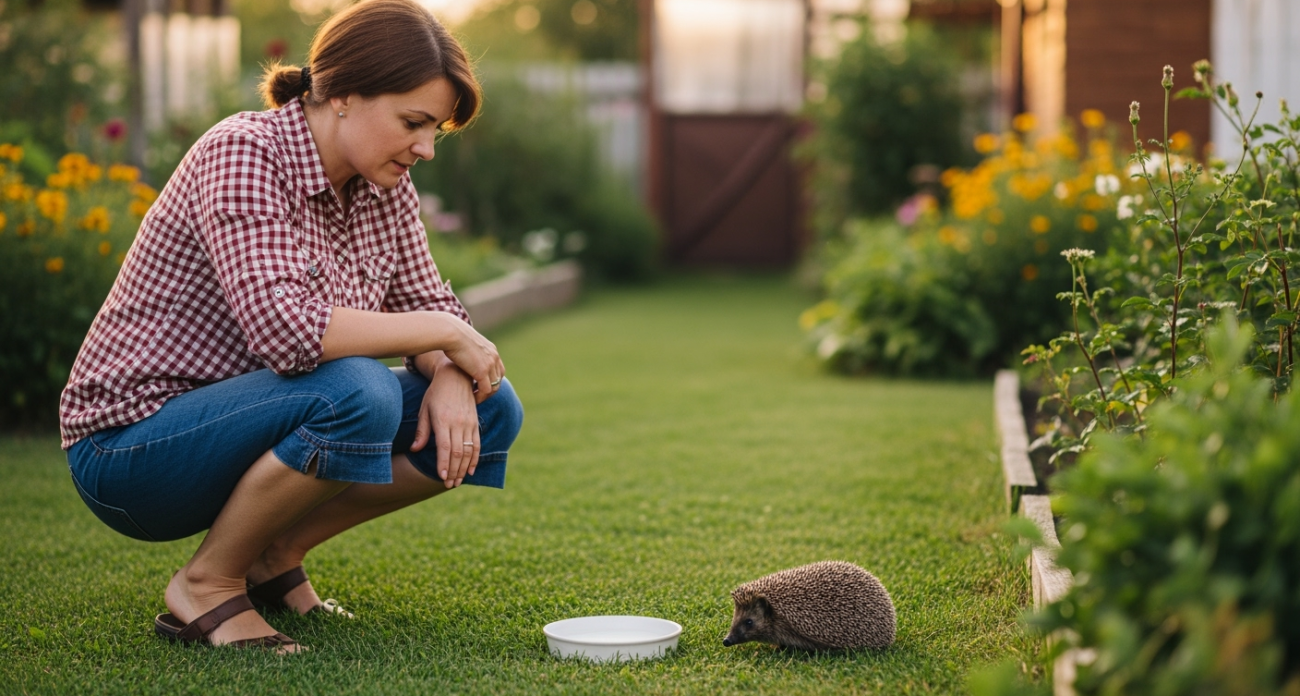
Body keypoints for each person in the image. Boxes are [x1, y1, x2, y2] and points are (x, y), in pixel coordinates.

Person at [58, 0, 522, 652]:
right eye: (413, 123)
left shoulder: (385, 186)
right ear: (343, 96)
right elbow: (289, 335)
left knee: (494, 406)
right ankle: (207, 584)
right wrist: (444, 334)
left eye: (435, 131)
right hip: (131, 449)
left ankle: (274, 556)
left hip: (247, 423)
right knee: (360, 390)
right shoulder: (244, 154)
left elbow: (427, 300)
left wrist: (450, 366)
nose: (425, 148)